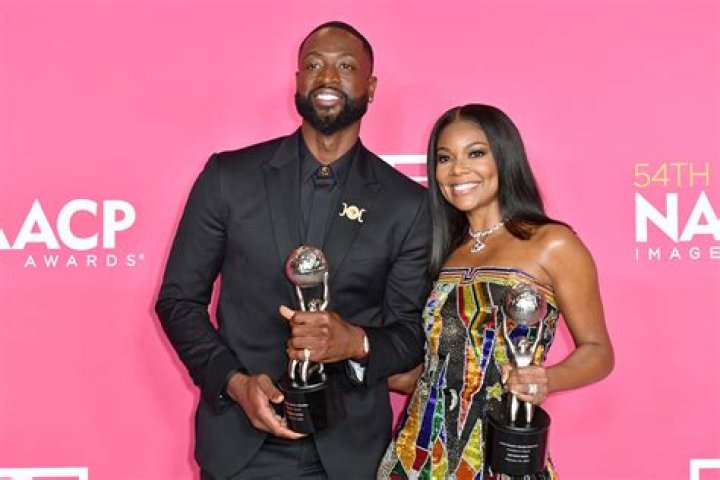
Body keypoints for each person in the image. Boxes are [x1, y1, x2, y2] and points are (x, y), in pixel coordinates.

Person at [155, 21, 430, 479]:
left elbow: (409, 334)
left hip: (350, 454)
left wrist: (355, 341)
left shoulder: (408, 205)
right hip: (241, 443)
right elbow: (179, 300)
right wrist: (234, 383)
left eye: (346, 66)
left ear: (371, 87)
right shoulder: (228, 178)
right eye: (314, 65)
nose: (328, 77)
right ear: (298, 81)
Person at [377, 104, 614, 479]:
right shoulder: (442, 250)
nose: (458, 170)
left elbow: (599, 352)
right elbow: (439, 360)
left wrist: (546, 379)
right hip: (416, 457)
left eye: (475, 153)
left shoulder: (552, 243)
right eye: (444, 158)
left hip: (502, 454)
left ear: (504, 157)